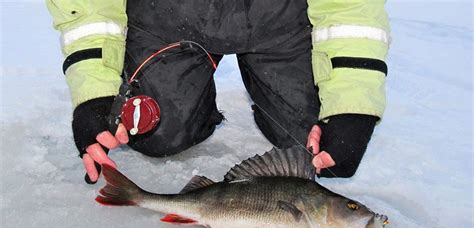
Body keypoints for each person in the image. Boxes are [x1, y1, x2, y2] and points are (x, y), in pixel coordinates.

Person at [46, 0, 389, 183]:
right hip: (164, 17)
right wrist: (95, 93)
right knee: (155, 133)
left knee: (314, 144)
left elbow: (350, 8)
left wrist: (351, 105)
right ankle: (190, 80)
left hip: (280, 21)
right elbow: (88, 9)